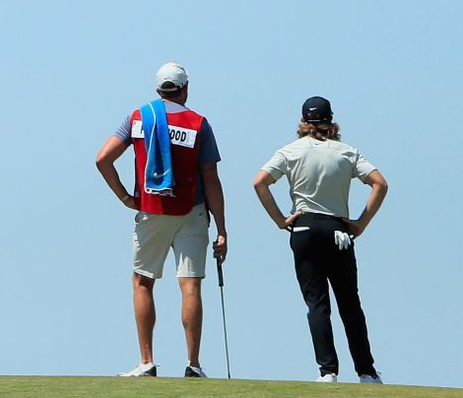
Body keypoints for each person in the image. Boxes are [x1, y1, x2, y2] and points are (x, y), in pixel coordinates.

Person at [95, 62, 227, 378]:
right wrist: (222, 228)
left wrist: (126, 197)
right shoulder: (199, 123)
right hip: (191, 211)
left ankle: (146, 361)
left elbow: (103, 159)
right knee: (190, 284)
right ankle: (193, 365)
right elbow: (210, 176)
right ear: (185, 89)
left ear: (158, 89)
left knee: (143, 281)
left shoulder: (137, 117)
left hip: (151, 209)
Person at [253, 96, 387, 384]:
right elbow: (380, 183)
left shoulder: (290, 151)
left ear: (303, 122)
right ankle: (366, 372)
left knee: (317, 304)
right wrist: (361, 223)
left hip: (303, 229)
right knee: (350, 304)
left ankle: (328, 371)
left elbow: (260, 181)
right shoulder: (347, 152)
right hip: (338, 230)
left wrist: (280, 220)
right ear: (331, 121)